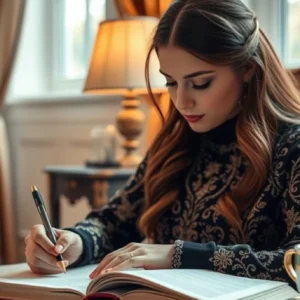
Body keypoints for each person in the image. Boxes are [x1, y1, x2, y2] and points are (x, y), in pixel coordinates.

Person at [25, 0, 300, 289]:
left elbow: (295, 262)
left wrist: (178, 254)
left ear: (247, 69)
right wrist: (74, 242)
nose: (181, 102)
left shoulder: (292, 149)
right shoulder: (176, 144)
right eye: (170, 82)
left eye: (201, 83)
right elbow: (114, 222)